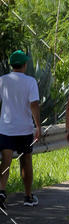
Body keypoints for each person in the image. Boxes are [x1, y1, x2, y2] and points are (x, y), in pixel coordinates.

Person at [0, 50, 41, 208]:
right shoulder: (30, 81)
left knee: (6, 161)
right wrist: (38, 126)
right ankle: (28, 196)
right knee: (26, 161)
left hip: (5, 128)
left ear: (11, 64)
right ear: (25, 64)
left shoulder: (2, 80)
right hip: (24, 129)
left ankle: (1, 191)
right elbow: (34, 105)